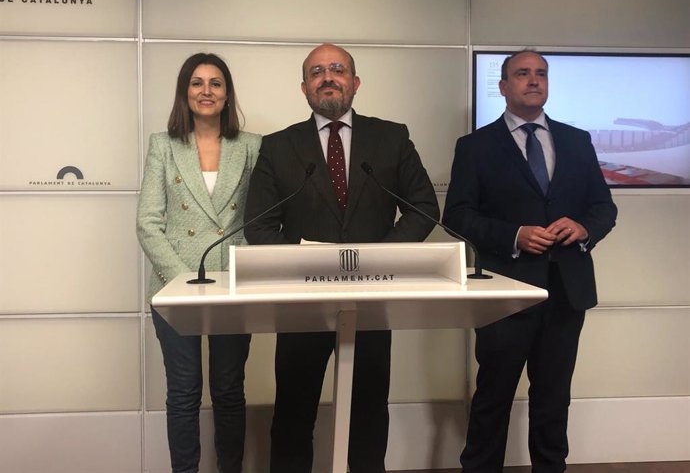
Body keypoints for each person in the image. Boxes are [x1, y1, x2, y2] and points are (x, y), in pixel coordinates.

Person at [244, 43, 439, 473]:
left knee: (369, 412)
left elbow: (423, 207)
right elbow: (258, 226)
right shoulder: (277, 147)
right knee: (294, 415)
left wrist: (379, 259)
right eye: (317, 72)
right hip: (302, 303)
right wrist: (303, 267)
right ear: (304, 87)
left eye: (337, 69)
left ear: (355, 82)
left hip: (371, 299)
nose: (327, 77)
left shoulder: (392, 137)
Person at [443, 50, 617, 472]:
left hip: (566, 290)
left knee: (554, 399)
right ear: (503, 87)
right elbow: (457, 216)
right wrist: (514, 235)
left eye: (541, 73)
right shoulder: (476, 146)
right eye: (522, 74)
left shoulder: (577, 140)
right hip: (506, 291)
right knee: (493, 397)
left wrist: (583, 228)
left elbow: (603, 207)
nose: (533, 80)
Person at [136, 53, 261, 473]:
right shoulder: (163, 145)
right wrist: (181, 281)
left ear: (227, 95)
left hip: (233, 285)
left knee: (228, 390)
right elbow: (148, 222)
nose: (206, 91)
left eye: (215, 83)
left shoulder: (252, 146)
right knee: (184, 393)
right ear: (184, 93)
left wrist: (243, 272)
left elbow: (260, 218)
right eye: (197, 83)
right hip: (175, 289)